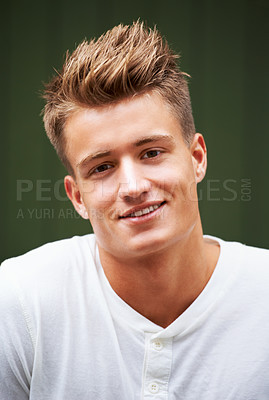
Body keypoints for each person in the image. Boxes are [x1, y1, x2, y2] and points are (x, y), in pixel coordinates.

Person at [0, 21, 268, 400]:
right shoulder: (21, 301)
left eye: (152, 153)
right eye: (102, 167)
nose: (133, 187)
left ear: (197, 158)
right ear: (77, 196)